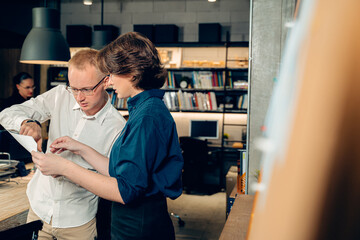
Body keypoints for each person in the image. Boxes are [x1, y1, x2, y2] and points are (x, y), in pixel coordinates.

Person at [32, 32, 184, 240]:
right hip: (132, 223)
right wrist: (80, 148)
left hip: (139, 228)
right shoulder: (144, 109)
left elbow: (125, 190)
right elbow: (119, 170)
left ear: (131, 73)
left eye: (112, 73)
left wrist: (65, 167)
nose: (109, 81)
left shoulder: (147, 117)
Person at [0, 49, 126, 240]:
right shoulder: (60, 95)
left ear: (106, 81)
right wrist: (26, 123)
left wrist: (68, 170)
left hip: (78, 221)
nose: (79, 97)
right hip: (39, 211)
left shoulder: (117, 126)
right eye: (74, 88)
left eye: (86, 89)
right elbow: (6, 114)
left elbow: (113, 178)